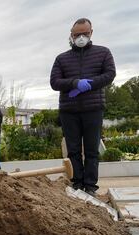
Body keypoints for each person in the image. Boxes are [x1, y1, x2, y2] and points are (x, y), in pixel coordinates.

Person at [50, 18, 116, 196]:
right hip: (69, 111)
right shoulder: (62, 58)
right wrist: (75, 83)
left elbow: (110, 74)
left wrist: (91, 83)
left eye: (84, 34)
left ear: (91, 33)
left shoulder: (103, 53)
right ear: (71, 35)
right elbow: (54, 82)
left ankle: (90, 186)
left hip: (93, 109)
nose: (81, 37)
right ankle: (77, 184)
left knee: (92, 150)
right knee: (73, 150)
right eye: (77, 34)